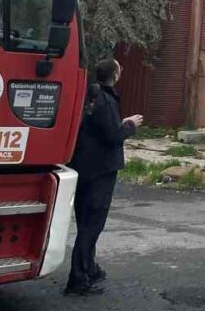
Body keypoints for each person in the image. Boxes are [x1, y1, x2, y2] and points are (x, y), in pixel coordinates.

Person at [65, 58, 142, 297]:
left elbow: (100, 129)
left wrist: (120, 124)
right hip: (100, 170)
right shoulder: (106, 100)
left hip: (83, 167)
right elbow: (112, 136)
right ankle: (78, 278)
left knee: (85, 222)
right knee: (92, 225)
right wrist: (130, 125)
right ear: (115, 75)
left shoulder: (91, 97)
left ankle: (90, 268)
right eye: (120, 69)